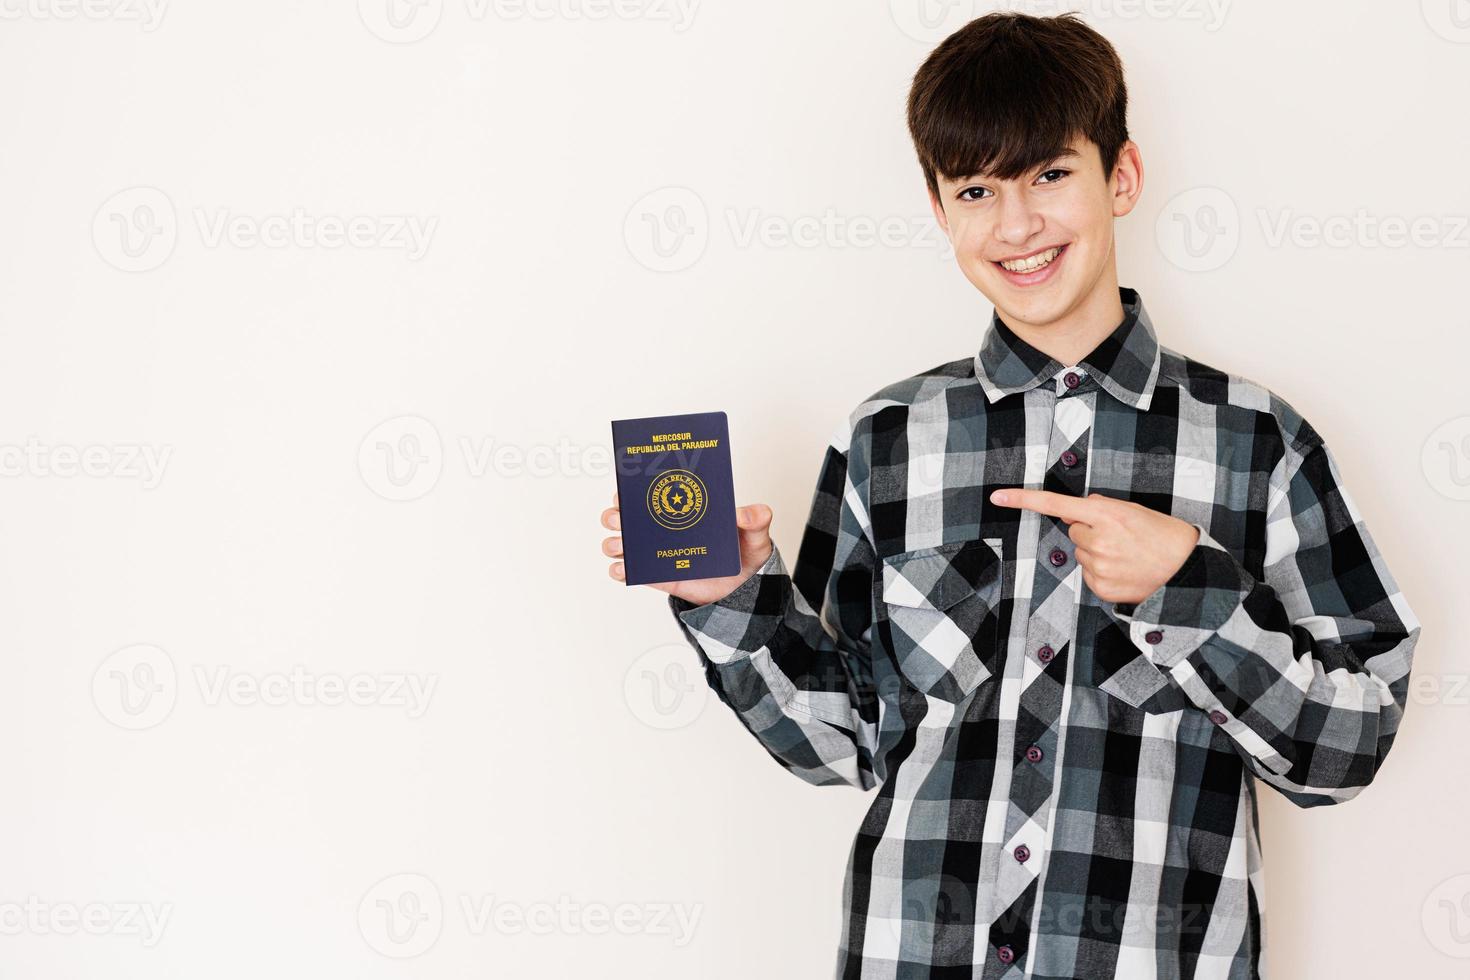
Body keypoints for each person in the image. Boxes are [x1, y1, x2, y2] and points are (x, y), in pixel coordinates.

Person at [599, 11, 1420, 978]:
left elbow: (1349, 747)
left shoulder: (1258, 442)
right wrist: (733, 601)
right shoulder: (885, 440)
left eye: (1049, 175)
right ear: (940, 210)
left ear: (1122, 177)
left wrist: (1187, 590)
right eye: (977, 188)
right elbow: (844, 742)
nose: (1016, 224)